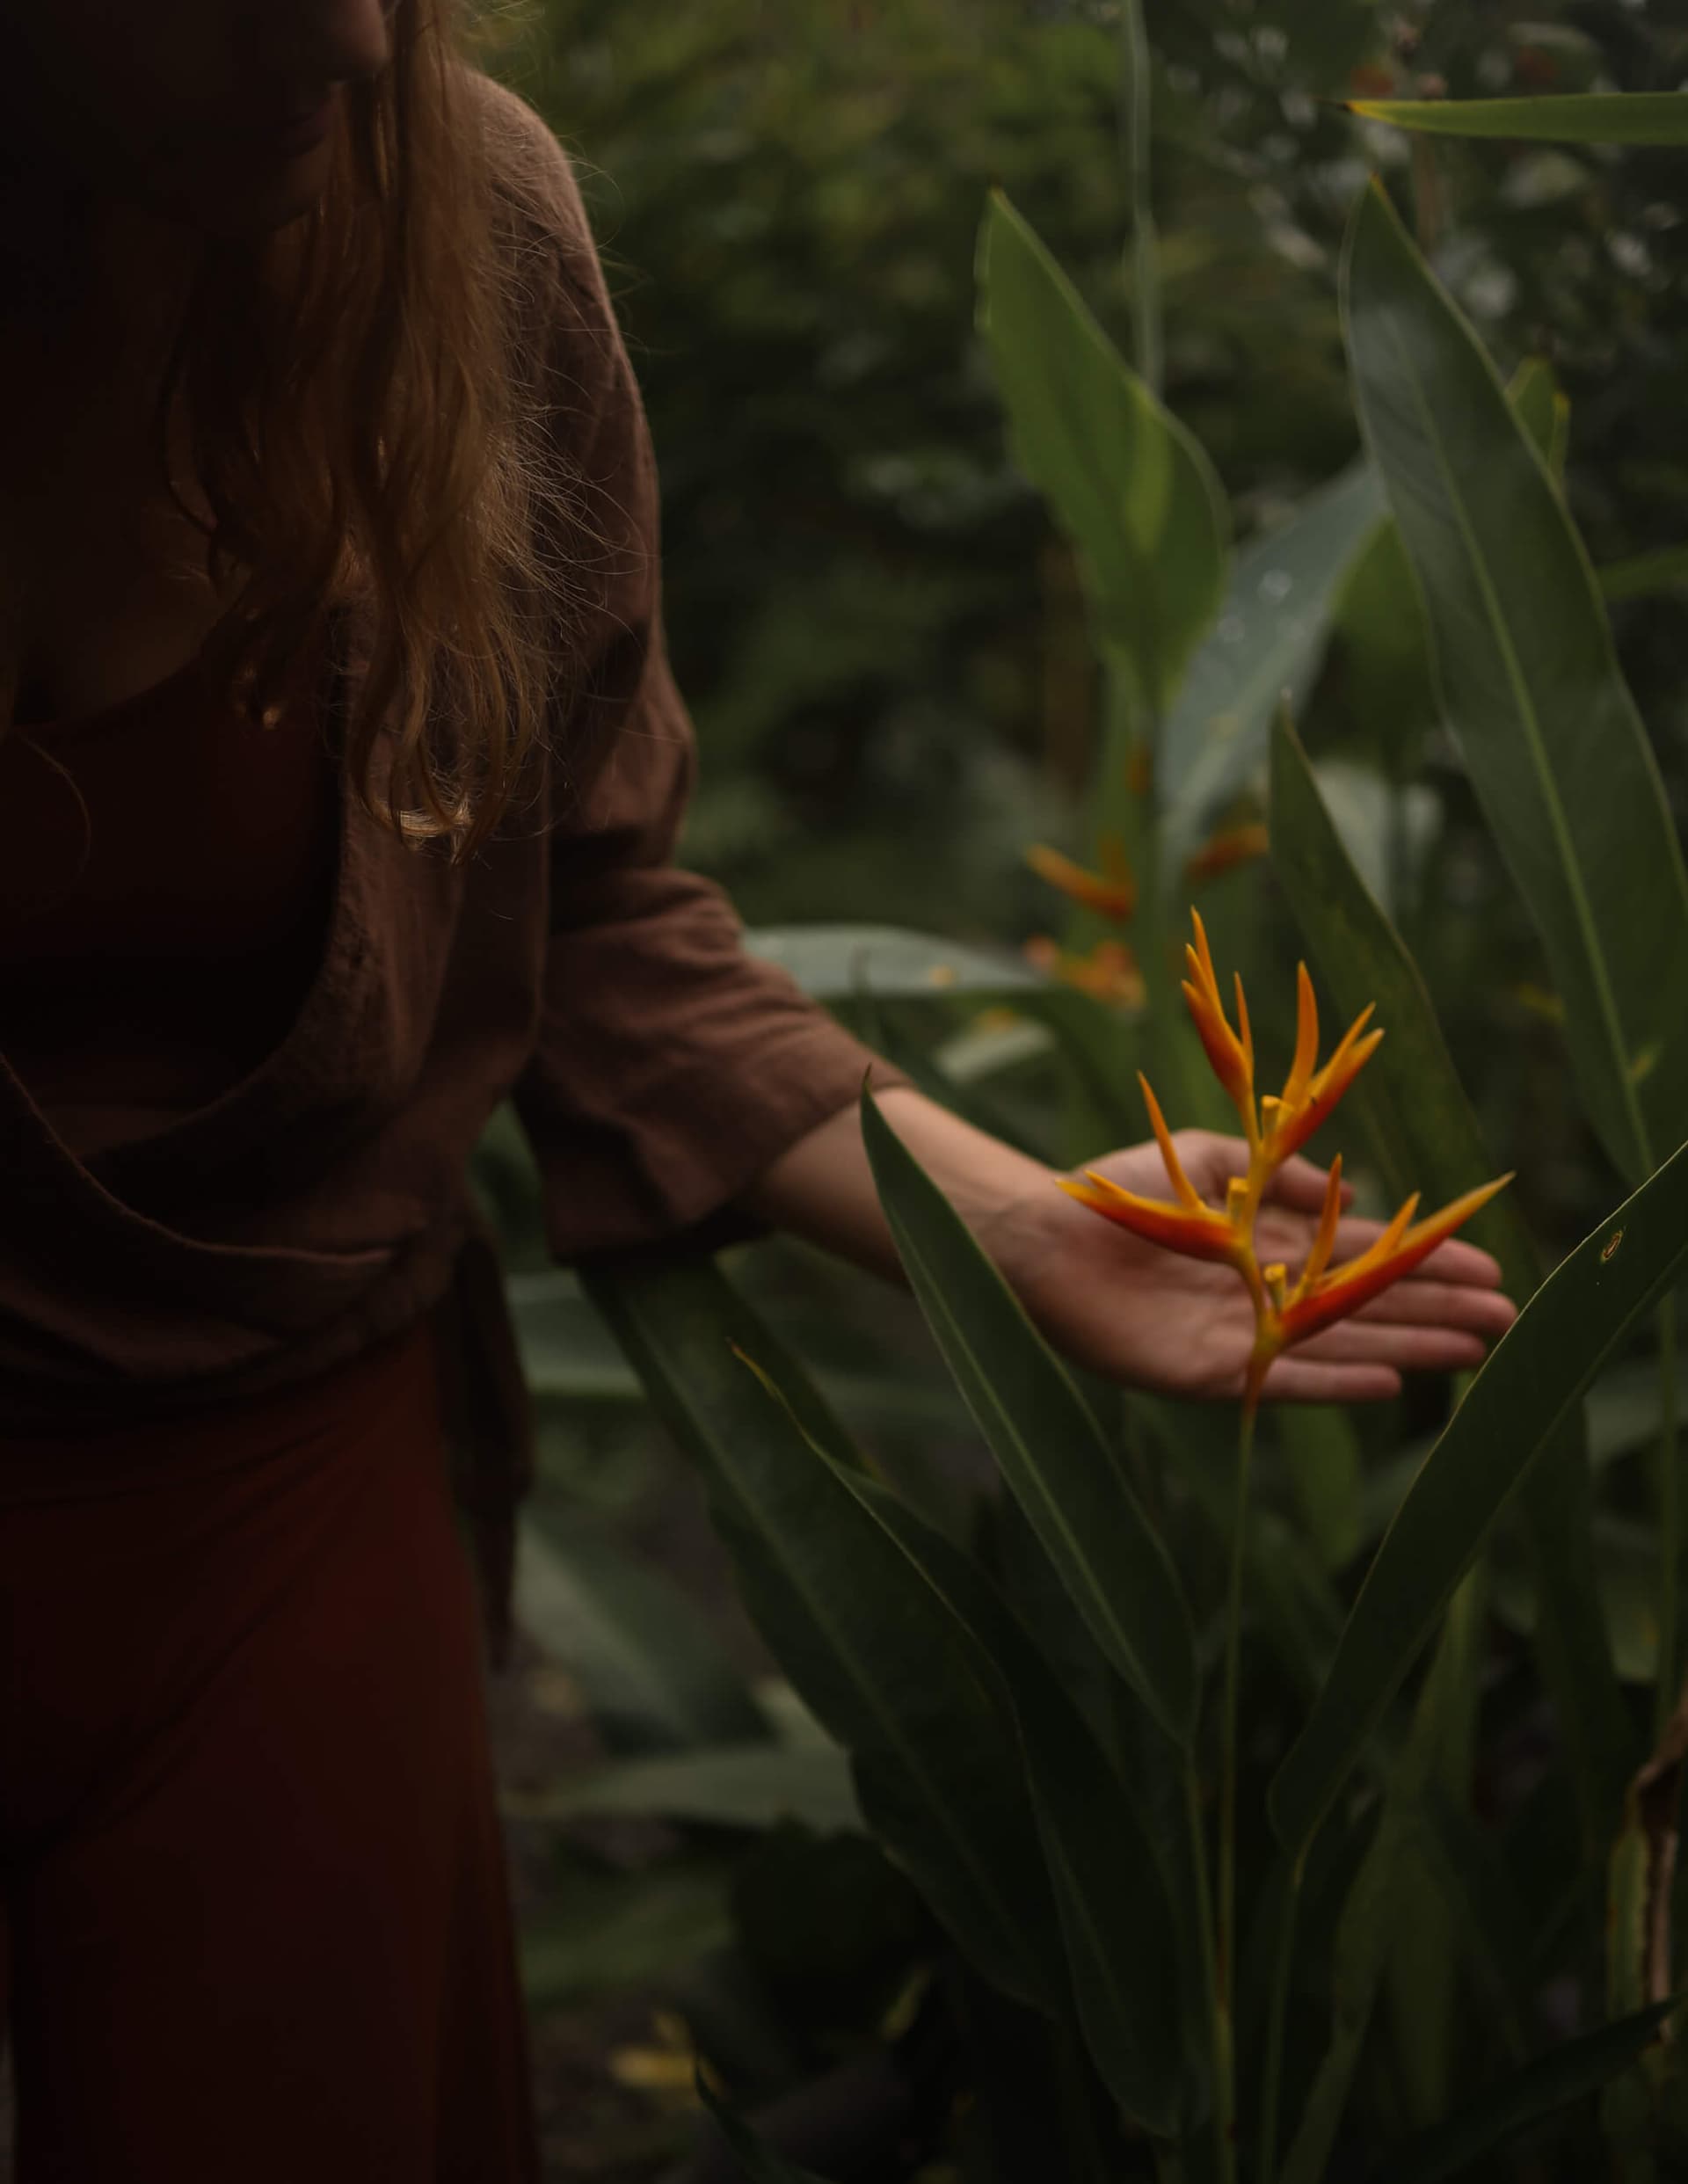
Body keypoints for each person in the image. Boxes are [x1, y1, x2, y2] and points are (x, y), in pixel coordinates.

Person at [0, 3, 1515, 2177]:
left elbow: (588, 910)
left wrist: (1020, 1234)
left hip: (268, 1484)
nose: (344, 32)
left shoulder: (459, 236)